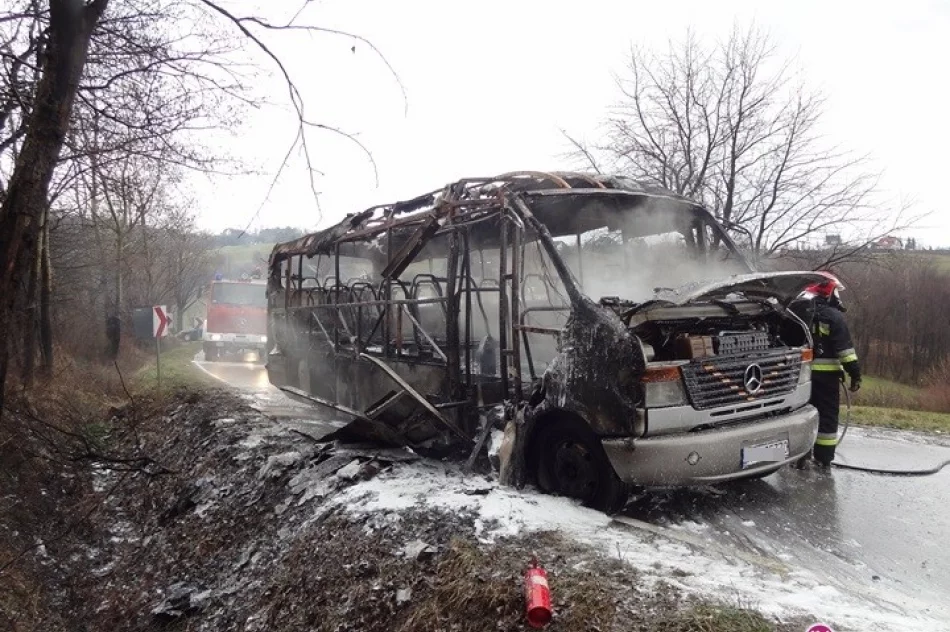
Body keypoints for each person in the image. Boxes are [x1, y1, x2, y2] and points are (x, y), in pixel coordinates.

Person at [800, 275, 862, 468]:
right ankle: (823, 458)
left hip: (802, 378)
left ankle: (801, 456)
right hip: (827, 379)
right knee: (827, 416)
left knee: (803, 415)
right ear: (829, 294)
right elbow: (846, 351)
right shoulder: (834, 317)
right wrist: (855, 374)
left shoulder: (799, 314)